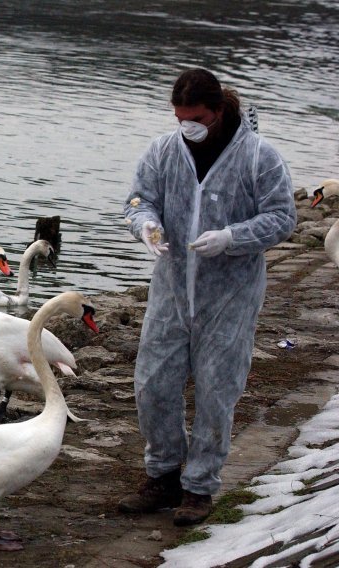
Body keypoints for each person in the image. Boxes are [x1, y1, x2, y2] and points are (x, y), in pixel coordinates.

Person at [120, 68, 296, 526]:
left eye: (195, 116)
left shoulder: (259, 158)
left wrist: (232, 237)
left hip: (230, 295)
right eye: (179, 116)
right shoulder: (163, 151)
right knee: (153, 384)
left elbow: (282, 218)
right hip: (172, 289)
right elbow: (139, 199)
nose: (187, 126)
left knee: (217, 391)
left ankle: (199, 487)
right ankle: (162, 476)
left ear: (218, 111)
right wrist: (147, 226)